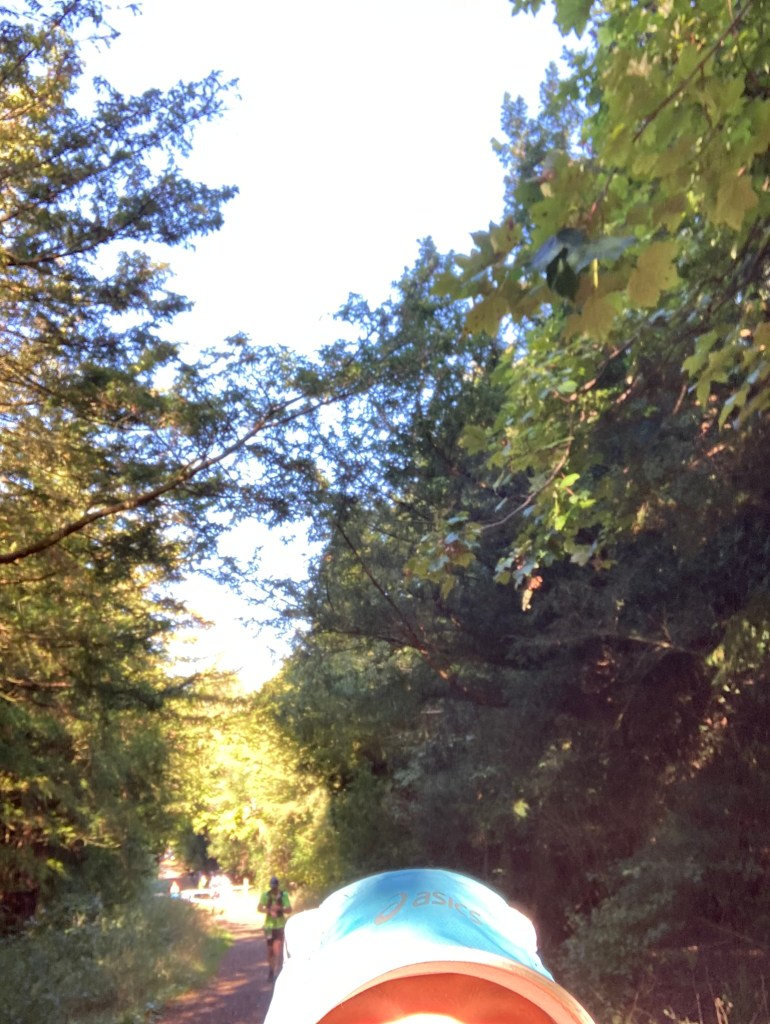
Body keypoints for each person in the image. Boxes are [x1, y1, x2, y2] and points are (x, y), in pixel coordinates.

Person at [258, 874, 292, 981]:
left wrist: (279, 909)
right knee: (270, 950)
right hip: (269, 926)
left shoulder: (283, 895)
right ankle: (271, 970)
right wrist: (269, 910)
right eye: (272, 887)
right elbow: (259, 908)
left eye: (275, 887)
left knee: (276, 949)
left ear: (278, 886)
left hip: (280, 925)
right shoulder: (266, 895)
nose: (273, 889)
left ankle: (276, 971)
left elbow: (289, 909)